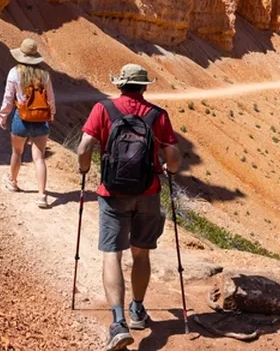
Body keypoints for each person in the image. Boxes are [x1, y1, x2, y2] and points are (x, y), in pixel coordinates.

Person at [76, 64, 182, 351]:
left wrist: (84, 168)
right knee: (141, 253)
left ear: (120, 85)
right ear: (144, 87)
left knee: (112, 253)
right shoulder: (157, 115)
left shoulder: (103, 109)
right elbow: (172, 153)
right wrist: (170, 171)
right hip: (148, 192)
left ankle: (118, 322)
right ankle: (137, 310)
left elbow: (84, 147)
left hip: (112, 193)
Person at [0, 38, 56, 209]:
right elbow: (50, 98)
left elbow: (8, 97)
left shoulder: (14, 73)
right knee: (39, 158)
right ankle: (42, 196)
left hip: (21, 118)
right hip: (41, 120)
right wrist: (50, 115)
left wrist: (3, 115)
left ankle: (13, 181)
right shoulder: (44, 75)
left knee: (17, 152)